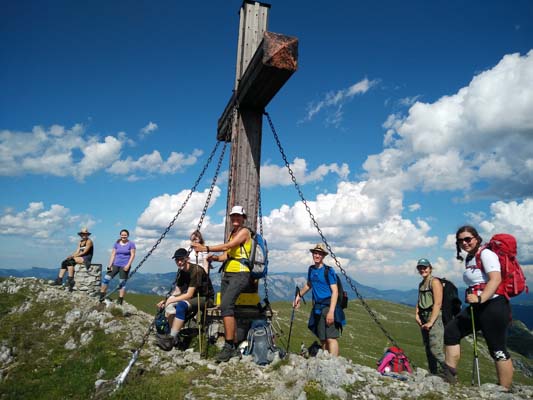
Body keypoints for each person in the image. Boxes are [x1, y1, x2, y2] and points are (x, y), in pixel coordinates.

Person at [442, 225, 513, 388]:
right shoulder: (470, 258)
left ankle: (504, 391)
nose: (464, 243)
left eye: (468, 239)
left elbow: (495, 279)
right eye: (460, 241)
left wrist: (480, 298)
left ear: (476, 238)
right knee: (452, 332)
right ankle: (450, 379)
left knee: (497, 349)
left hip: (494, 305)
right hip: (477, 305)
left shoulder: (486, 254)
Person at [191, 205, 252, 362]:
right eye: (233, 216)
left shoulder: (244, 232)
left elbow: (228, 246)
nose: (235, 219)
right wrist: (215, 258)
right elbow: (227, 254)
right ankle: (233, 344)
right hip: (228, 273)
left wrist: (205, 248)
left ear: (243, 218)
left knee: (226, 306)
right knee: (226, 308)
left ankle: (229, 346)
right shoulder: (232, 233)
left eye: (238, 216)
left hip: (240, 273)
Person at [155, 248, 213, 351]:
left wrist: (171, 300)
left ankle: (171, 339)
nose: (179, 262)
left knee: (181, 305)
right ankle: (174, 335)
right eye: (177, 260)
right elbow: (177, 291)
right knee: (169, 305)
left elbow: (189, 295)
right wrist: (167, 300)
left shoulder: (196, 270)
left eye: (181, 259)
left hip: (205, 298)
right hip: (193, 297)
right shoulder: (182, 271)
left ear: (187, 259)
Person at [293, 243, 345, 356]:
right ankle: (325, 361)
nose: (316, 255)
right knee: (322, 338)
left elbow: (335, 291)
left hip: (328, 306)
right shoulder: (311, 269)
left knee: (331, 337)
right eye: (315, 253)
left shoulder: (328, 271)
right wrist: (298, 296)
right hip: (317, 307)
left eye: (319, 254)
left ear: (323, 256)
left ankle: (334, 363)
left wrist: (331, 312)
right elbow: (308, 285)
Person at [415, 258, 445, 374]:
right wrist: (417, 314)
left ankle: (449, 375)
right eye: (420, 268)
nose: (422, 270)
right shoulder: (421, 284)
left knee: (436, 349)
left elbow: (438, 303)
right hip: (423, 317)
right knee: (428, 348)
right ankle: (434, 373)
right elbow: (419, 300)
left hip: (434, 318)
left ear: (430, 268)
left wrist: (431, 322)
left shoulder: (435, 282)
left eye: (425, 267)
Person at [99, 229, 136, 305]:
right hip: (115, 264)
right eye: (122, 235)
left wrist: (128, 265)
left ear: (128, 235)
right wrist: (110, 265)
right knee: (106, 279)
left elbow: (132, 255)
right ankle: (102, 296)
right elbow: (113, 254)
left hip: (125, 265)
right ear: (120, 235)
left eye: (125, 235)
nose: (123, 236)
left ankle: (120, 300)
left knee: (122, 283)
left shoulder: (131, 244)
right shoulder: (116, 243)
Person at [52, 227, 94, 292]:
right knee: (64, 262)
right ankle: (59, 280)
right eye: (82, 234)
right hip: (80, 257)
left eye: (85, 234)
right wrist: (72, 255)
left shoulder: (89, 241)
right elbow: (77, 251)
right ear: (81, 235)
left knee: (70, 261)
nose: (83, 235)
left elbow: (84, 252)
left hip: (86, 258)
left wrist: (73, 257)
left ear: (87, 235)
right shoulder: (80, 242)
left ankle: (70, 279)